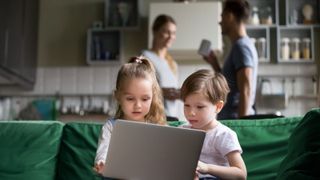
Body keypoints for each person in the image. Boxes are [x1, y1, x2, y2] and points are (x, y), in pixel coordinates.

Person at [93, 56, 166, 178]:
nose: (137, 105)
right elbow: (103, 151)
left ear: (152, 97)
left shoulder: (156, 126)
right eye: (130, 99)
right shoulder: (111, 127)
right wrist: (102, 163)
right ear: (118, 96)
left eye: (145, 99)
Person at [180, 69, 247, 180]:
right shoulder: (181, 131)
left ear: (218, 107)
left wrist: (207, 168)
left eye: (200, 107)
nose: (191, 113)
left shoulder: (223, 135)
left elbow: (241, 174)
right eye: (187, 105)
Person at [202, 0, 258, 119]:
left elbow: (246, 88)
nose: (220, 22)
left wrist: (241, 126)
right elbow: (229, 84)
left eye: (222, 17)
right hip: (231, 120)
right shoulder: (241, 45)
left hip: (235, 122)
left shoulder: (241, 46)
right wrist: (214, 64)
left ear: (230, 16)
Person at [142, 14, 180, 119]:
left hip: (172, 117)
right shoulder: (145, 57)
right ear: (155, 31)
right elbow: (139, 90)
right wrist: (162, 92)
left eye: (173, 33)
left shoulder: (173, 63)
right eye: (166, 32)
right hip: (154, 117)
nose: (171, 36)